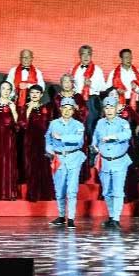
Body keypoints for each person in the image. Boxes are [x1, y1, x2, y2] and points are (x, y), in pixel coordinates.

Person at [92, 96, 133, 228]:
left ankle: (116, 219)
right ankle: (111, 217)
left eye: (111, 107)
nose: (109, 110)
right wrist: (94, 146)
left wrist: (113, 137)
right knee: (107, 191)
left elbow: (127, 134)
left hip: (119, 161)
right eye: (106, 107)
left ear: (116, 109)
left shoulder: (123, 123)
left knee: (117, 191)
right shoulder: (100, 122)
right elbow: (95, 137)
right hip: (104, 162)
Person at [46, 97, 87, 228]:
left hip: (73, 157)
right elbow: (48, 139)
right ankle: (61, 215)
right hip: (58, 158)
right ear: (60, 109)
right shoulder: (53, 124)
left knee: (72, 189)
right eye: (65, 108)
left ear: (73, 111)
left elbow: (78, 139)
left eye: (70, 109)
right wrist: (50, 151)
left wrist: (61, 137)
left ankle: (71, 218)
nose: (67, 111)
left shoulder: (78, 125)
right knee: (59, 189)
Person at [20, 85, 54, 202]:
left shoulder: (46, 108)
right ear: (29, 94)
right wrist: (29, 109)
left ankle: (45, 194)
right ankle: (33, 194)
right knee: (32, 166)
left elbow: (49, 124)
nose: (34, 95)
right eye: (32, 92)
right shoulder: (24, 107)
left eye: (37, 93)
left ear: (41, 95)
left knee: (44, 166)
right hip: (30, 140)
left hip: (43, 141)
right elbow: (22, 124)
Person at [71, 44, 107, 145]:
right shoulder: (74, 69)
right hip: (78, 100)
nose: (86, 57)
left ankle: (92, 150)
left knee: (91, 126)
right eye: (83, 54)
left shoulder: (97, 70)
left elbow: (103, 88)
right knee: (78, 126)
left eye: (88, 54)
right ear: (79, 55)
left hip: (92, 100)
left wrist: (92, 84)